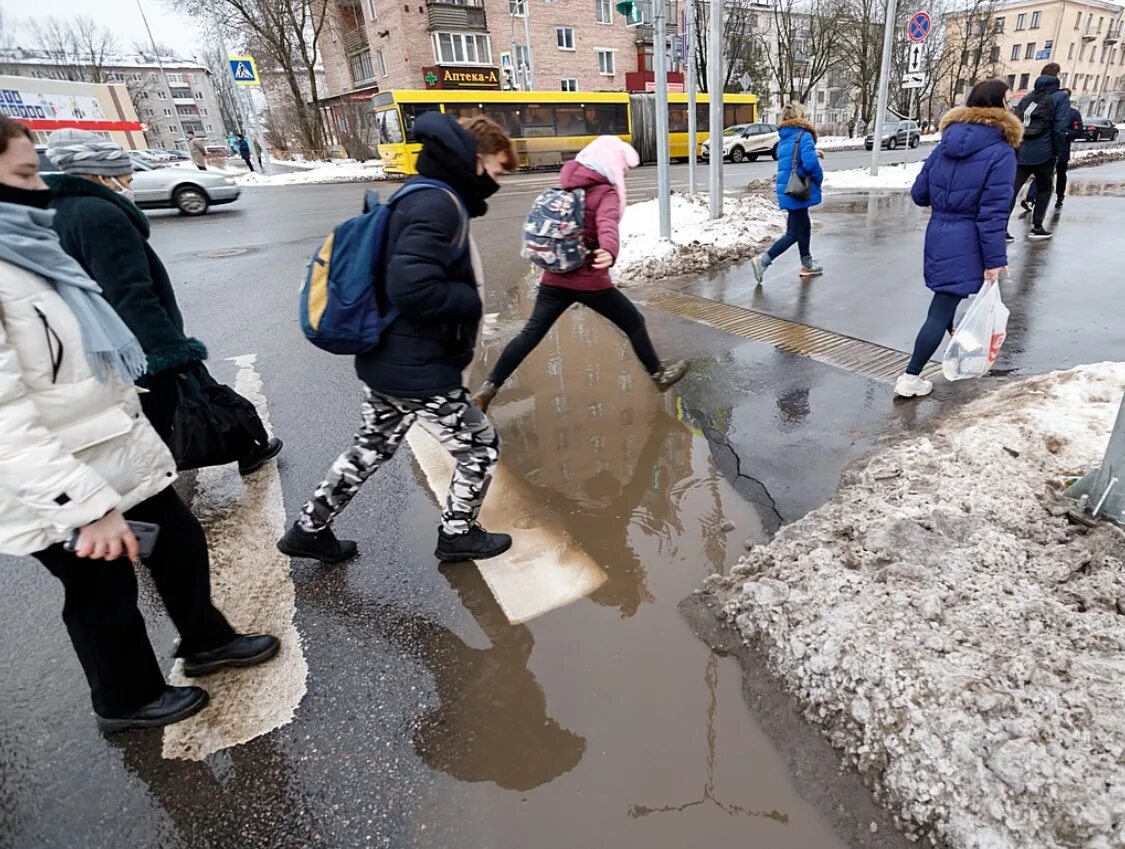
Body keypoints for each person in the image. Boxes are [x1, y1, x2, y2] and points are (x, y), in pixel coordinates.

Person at [0, 116, 278, 732]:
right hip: (60, 478)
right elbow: (5, 423)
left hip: (107, 451)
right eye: (23, 174)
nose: (41, 187)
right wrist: (84, 508)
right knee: (101, 590)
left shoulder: (27, 251)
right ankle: (124, 699)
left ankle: (205, 640)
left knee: (175, 543)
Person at [278, 114, 515, 565]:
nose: (498, 182)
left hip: (387, 359)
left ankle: (309, 529)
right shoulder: (439, 204)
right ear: (477, 159)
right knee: (481, 447)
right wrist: (469, 299)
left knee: (371, 446)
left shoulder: (418, 193)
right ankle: (458, 534)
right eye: (498, 170)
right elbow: (412, 287)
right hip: (419, 369)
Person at [41, 129, 282, 475]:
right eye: (121, 168)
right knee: (184, 408)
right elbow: (130, 292)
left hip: (100, 341)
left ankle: (237, 449)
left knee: (154, 416)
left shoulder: (56, 209)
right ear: (99, 172)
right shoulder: (99, 214)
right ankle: (227, 453)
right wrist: (170, 352)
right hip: (137, 344)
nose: (129, 175)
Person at [471, 136, 690, 412]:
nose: (622, 173)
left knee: (530, 334)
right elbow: (607, 224)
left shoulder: (566, 185)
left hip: (555, 278)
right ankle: (658, 376)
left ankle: (489, 387)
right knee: (633, 321)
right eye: (622, 168)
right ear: (610, 164)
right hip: (590, 281)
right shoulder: (605, 192)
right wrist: (609, 250)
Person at [896, 79, 1020, 399]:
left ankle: (960, 352)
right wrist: (995, 261)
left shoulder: (945, 144)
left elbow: (919, 194)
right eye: (1008, 99)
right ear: (998, 105)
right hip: (969, 239)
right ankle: (911, 377)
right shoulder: (1001, 152)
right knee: (941, 308)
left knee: (947, 299)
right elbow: (993, 214)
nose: (1012, 105)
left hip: (938, 232)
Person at [750, 101, 825, 283]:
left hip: (789, 188)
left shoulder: (785, 137)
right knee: (793, 233)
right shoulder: (804, 135)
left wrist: (813, 153)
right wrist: (818, 178)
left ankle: (807, 263)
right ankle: (763, 261)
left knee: (804, 226)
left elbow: (796, 157)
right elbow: (809, 164)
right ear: (800, 117)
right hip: (799, 189)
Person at [1008, 64, 1070, 242]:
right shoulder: (1060, 98)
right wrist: (1057, 152)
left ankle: (1001, 228)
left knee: (1012, 189)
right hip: (1044, 152)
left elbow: (1015, 121)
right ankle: (1037, 227)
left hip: (1022, 150)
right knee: (1044, 188)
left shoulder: (1028, 98)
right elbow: (1059, 127)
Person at [1024, 90, 1082, 211]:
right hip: (1047, 150)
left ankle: (1060, 196)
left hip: (1062, 150)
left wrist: (1065, 133)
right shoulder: (1048, 111)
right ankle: (1030, 199)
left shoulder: (1073, 113)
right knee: (1042, 175)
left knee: (1060, 174)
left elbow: (1078, 131)